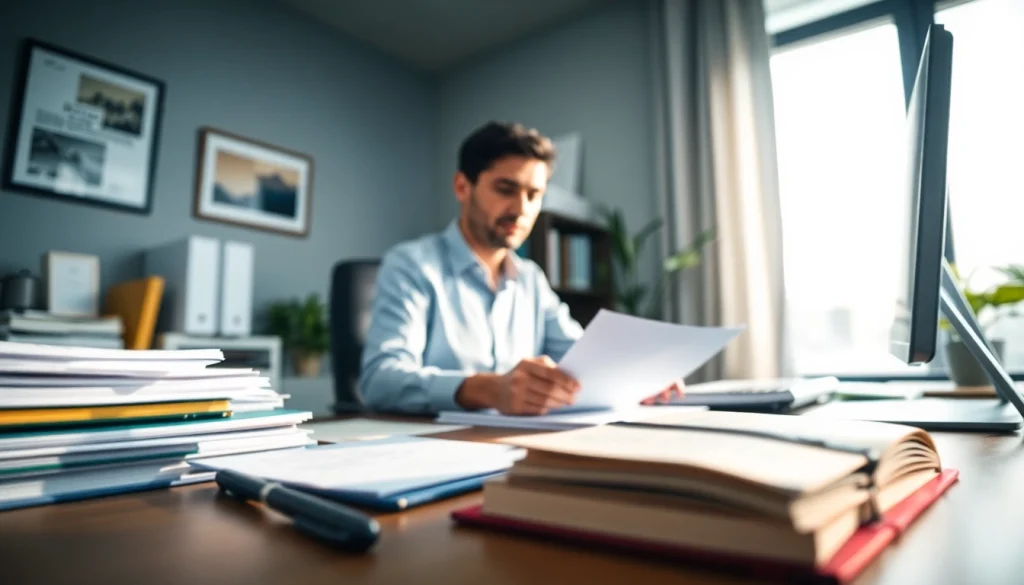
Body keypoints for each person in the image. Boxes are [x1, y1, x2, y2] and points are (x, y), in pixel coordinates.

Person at [359, 120, 682, 416]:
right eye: (505, 189)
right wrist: (488, 390)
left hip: (517, 441)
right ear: (462, 187)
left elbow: (581, 355)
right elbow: (380, 379)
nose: (522, 209)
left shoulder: (530, 279)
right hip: (436, 443)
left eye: (534, 194)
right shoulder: (411, 265)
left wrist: (638, 374)